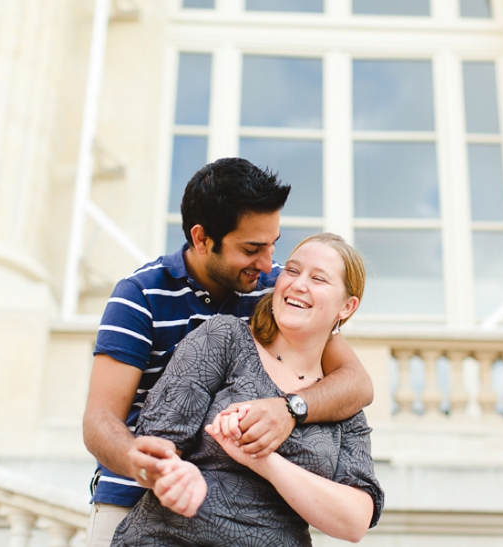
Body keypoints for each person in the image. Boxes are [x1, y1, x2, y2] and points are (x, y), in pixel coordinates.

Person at [82, 158, 374, 547]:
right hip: (138, 500)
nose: (270, 264)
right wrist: (141, 460)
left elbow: (355, 383)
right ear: (202, 239)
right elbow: (101, 418)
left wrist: (289, 410)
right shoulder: (141, 295)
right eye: (252, 248)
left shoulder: (276, 289)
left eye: (273, 245)